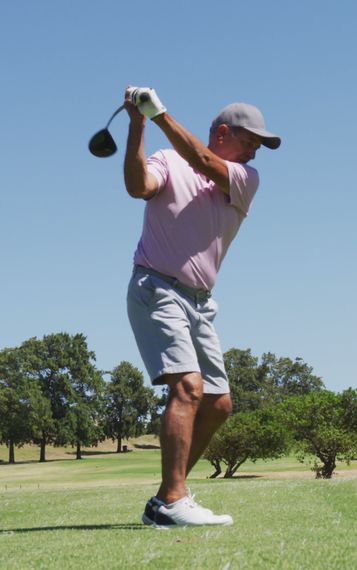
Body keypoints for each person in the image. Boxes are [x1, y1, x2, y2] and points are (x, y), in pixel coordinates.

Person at [121, 86, 281, 528]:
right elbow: (138, 186)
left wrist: (159, 115)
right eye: (249, 142)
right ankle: (174, 500)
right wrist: (139, 125)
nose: (253, 152)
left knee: (219, 404)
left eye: (258, 147)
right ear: (224, 132)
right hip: (157, 286)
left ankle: (166, 499)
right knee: (189, 388)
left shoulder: (245, 179)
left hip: (201, 301)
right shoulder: (168, 160)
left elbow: (203, 162)